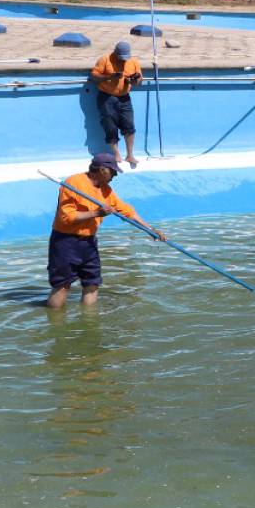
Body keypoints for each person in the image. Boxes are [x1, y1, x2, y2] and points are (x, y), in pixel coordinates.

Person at [47, 153, 163, 308]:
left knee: (92, 284)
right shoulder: (73, 183)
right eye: (112, 171)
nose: (115, 175)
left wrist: (149, 229)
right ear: (102, 169)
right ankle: (57, 327)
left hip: (89, 242)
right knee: (62, 286)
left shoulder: (106, 190)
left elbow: (126, 211)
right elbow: (66, 217)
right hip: (65, 241)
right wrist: (97, 213)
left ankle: (89, 324)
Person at [90, 39, 143, 169]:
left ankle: (130, 154)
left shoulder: (134, 62)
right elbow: (94, 77)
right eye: (120, 58)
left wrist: (133, 80)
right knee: (110, 126)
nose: (123, 60)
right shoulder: (105, 60)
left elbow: (139, 82)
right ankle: (116, 153)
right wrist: (110, 77)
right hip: (107, 97)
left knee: (129, 125)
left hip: (125, 98)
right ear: (115, 52)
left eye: (125, 58)